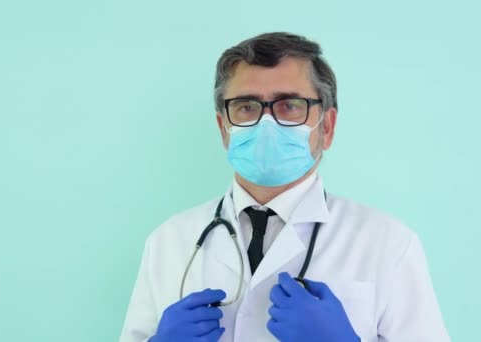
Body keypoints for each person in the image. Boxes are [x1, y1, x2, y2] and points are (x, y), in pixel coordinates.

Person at [119, 32, 450, 342]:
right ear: (223, 128)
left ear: (328, 126)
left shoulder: (388, 243)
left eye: (289, 105)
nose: (266, 123)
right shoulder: (169, 241)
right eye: (246, 107)